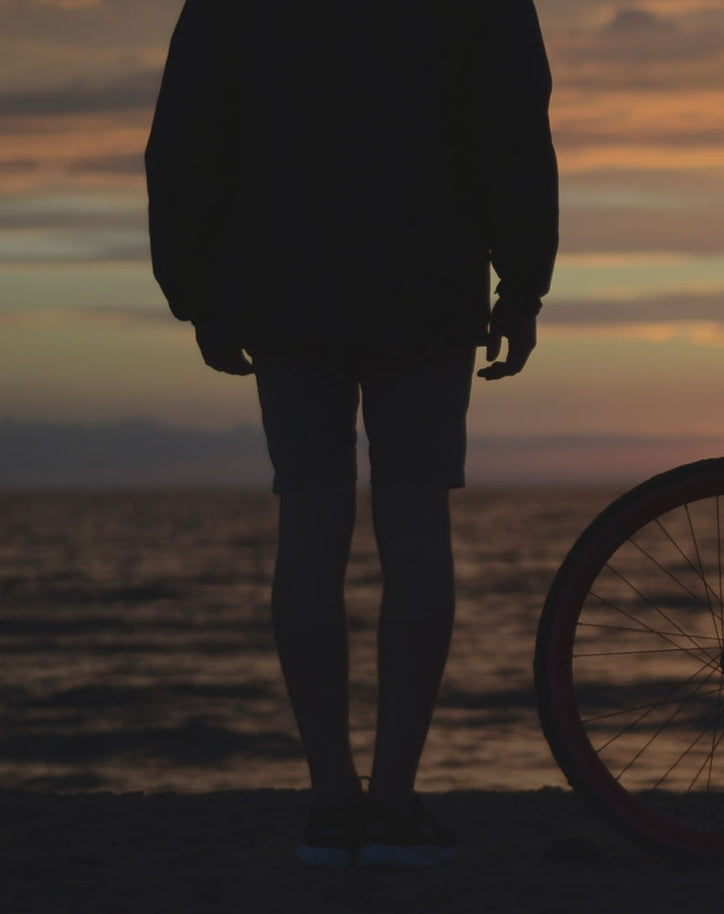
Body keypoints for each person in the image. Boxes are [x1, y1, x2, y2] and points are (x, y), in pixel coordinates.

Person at [145, 0, 558, 869]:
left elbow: (184, 136)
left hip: (283, 280)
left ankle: (332, 803)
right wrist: (521, 282)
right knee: (413, 534)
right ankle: (394, 802)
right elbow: (512, 127)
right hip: (425, 277)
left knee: (311, 528)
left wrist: (198, 291)